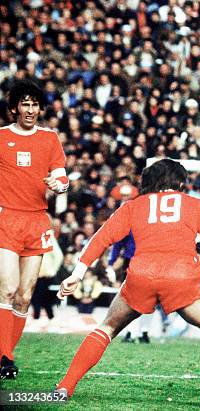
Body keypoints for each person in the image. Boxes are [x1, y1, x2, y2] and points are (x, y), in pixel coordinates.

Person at [55, 159, 200, 409]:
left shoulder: (133, 205)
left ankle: (64, 387)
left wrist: (77, 273)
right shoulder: (195, 205)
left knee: (107, 328)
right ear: (180, 182)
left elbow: (102, 237)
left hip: (141, 275)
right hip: (181, 275)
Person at [0, 79, 69, 379]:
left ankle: (6, 356)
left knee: (25, 296)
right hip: (6, 219)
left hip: (37, 220)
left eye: (34, 105)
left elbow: (62, 177)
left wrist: (60, 184)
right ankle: (4, 357)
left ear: (41, 108)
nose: (30, 110)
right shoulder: (1, 137)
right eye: (24, 104)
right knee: (7, 288)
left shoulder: (50, 138)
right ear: (14, 108)